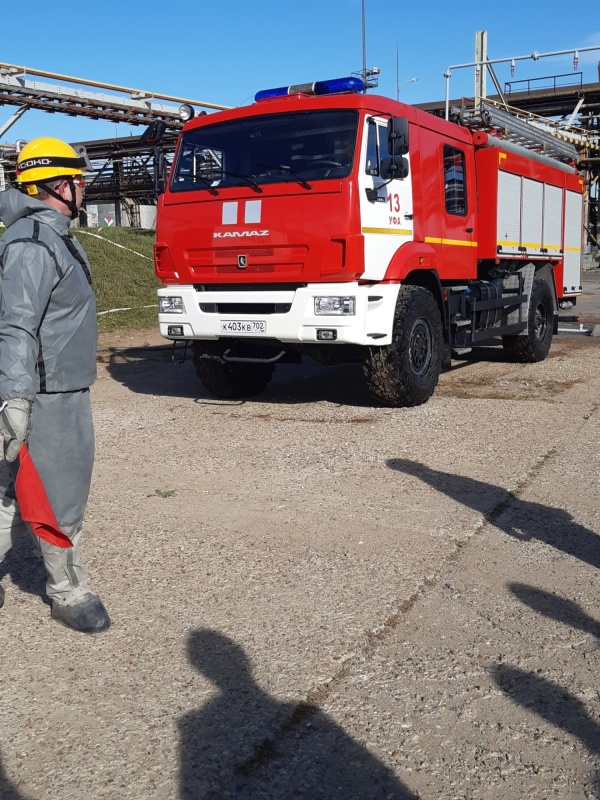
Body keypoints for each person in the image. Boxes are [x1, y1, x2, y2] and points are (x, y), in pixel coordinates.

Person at [0, 137, 110, 633]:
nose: (84, 188)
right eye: (78, 179)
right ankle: (68, 591)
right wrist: (16, 398)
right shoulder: (33, 244)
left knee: (12, 493)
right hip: (45, 395)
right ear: (54, 184)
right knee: (54, 496)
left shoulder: (52, 233)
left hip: (57, 387)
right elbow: (16, 324)